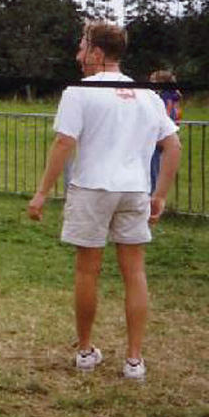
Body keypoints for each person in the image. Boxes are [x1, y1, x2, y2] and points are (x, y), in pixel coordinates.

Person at [27, 21, 181, 381]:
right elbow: (173, 145)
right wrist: (159, 194)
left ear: (96, 53)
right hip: (134, 190)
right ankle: (134, 360)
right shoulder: (147, 94)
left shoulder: (79, 91)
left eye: (82, 47)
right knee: (135, 273)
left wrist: (42, 192)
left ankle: (85, 351)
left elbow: (64, 143)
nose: (77, 55)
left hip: (92, 188)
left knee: (87, 271)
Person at [148, 70, 182, 190]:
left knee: (154, 163)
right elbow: (177, 113)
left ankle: (153, 191)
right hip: (170, 130)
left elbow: (166, 112)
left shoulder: (163, 96)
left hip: (160, 132)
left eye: (153, 80)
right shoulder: (174, 94)